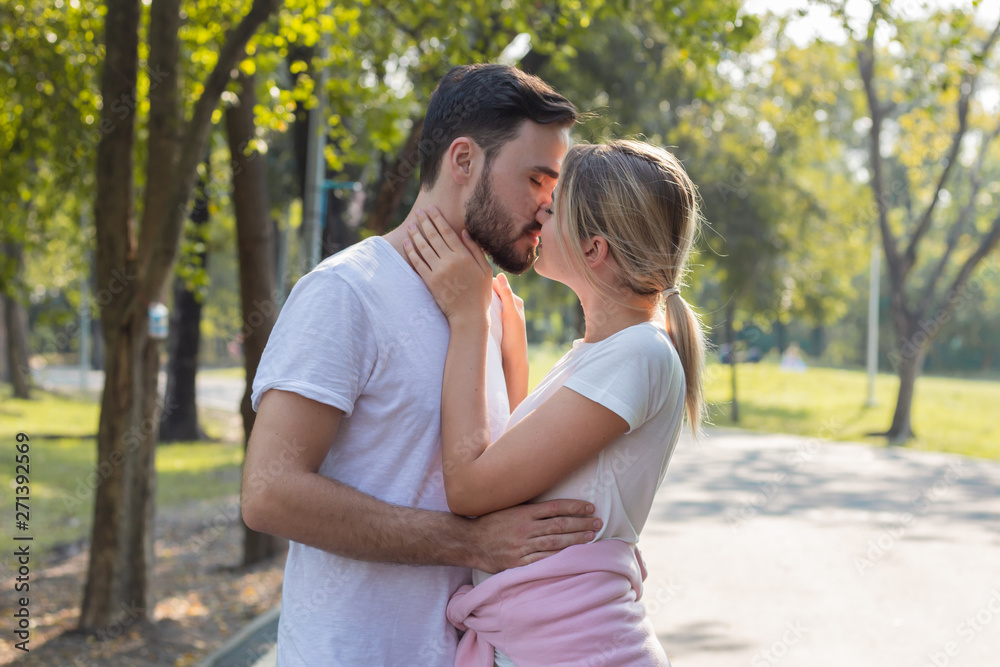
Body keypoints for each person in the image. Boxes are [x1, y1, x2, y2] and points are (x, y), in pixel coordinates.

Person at [240, 64, 602, 666]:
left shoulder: (484, 310)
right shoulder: (346, 292)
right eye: (535, 179)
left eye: (554, 188)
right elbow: (267, 493)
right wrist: (470, 543)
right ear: (463, 161)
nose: (547, 209)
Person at [403, 139, 706, 666]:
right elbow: (527, 471)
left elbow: (473, 488)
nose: (541, 209)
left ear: (594, 250)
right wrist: (513, 359)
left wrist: (469, 321)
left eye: (556, 201)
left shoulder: (639, 354)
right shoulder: (605, 354)